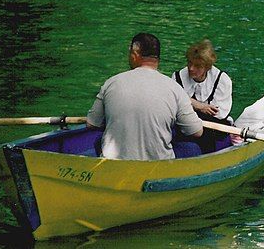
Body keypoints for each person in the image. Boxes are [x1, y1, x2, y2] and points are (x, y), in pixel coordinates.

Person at [87, 33, 203, 161]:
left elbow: (92, 124)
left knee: (100, 141)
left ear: (135, 54)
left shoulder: (111, 83)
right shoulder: (175, 88)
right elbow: (196, 131)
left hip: (115, 165)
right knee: (193, 149)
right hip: (157, 164)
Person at [171, 39, 233, 153]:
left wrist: (188, 103)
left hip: (212, 127)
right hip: (184, 123)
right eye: (189, 63)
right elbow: (173, 104)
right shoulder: (177, 77)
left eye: (197, 66)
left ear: (207, 67)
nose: (191, 68)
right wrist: (199, 106)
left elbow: (217, 113)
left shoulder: (222, 80)